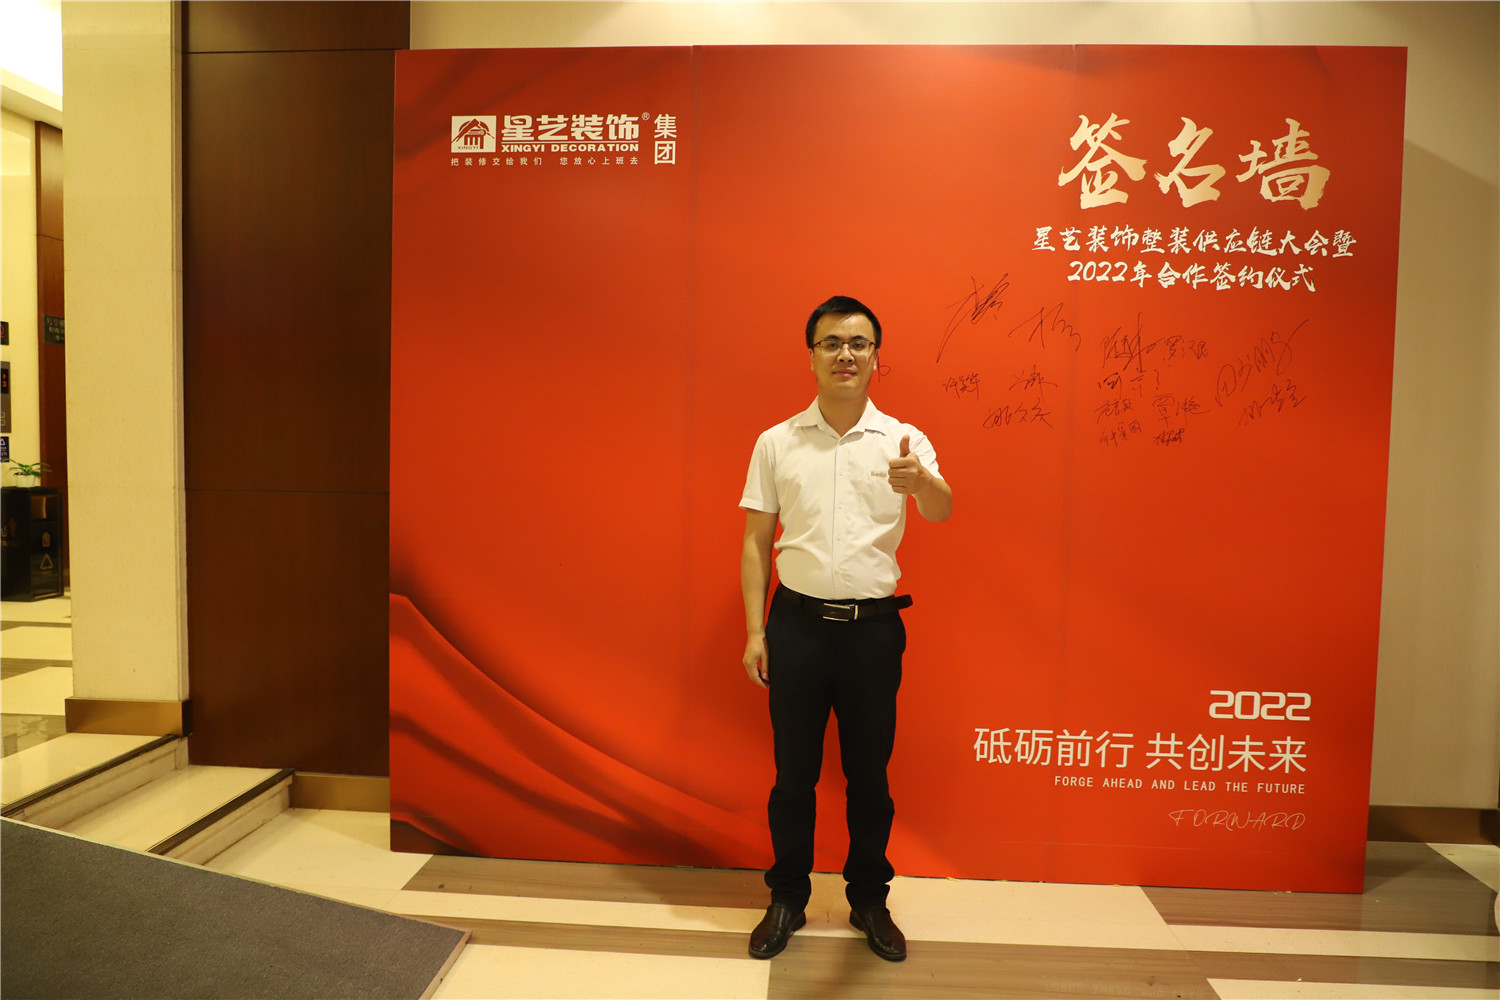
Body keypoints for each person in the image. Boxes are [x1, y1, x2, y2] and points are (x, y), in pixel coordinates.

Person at [738, 295, 953, 962]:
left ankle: (869, 900)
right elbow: (756, 540)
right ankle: (787, 898)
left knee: (870, 777)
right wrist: (755, 632)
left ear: (876, 357)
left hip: (872, 634)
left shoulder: (903, 441)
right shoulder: (777, 442)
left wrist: (921, 483)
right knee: (792, 777)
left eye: (859, 343)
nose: (845, 354)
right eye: (831, 343)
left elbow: (943, 510)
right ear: (811, 356)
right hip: (796, 628)